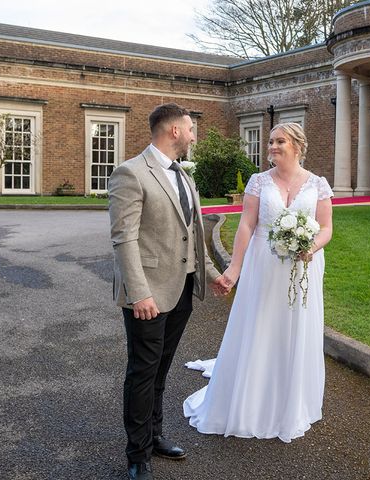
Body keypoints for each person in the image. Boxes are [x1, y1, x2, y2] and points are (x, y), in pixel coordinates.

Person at [183, 122, 334, 442]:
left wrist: (312, 246)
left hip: (303, 267)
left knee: (295, 328)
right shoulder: (258, 182)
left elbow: (326, 228)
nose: (273, 146)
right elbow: (246, 227)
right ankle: (251, 400)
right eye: (270, 142)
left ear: (297, 145)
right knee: (260, 325)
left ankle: (290, 401)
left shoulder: (318, 184)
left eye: (280, 141)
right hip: (263, 265)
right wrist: (234, 270)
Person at [109, 103, 227, 480]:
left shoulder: (183, 176)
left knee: (162, 369)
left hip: (182, 291)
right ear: (174, 130)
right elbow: (123, 239)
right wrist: (139, 292)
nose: (194, 136)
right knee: (142, 372)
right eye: (191, 129)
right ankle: (137, 454)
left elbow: (193, 234)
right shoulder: (131, 173)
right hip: (147, 295)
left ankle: (155, 435)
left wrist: (211, 274)